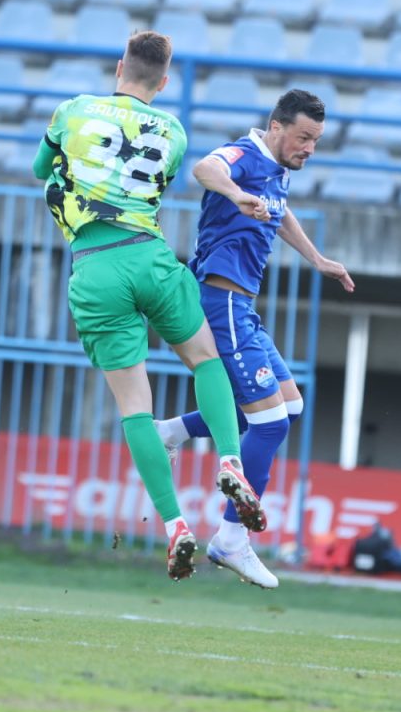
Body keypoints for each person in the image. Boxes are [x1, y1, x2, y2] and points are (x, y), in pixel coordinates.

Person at [34, 31, 265, 582]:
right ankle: (229, 459)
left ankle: (174, 525)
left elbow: (42, 169)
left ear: (120, 67)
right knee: (206, 360)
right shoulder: (174, 131)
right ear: (163, 82)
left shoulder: (72, 110)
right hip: (151, 257)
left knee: (136, 407)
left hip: (96, 267)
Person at [157, 89, 355, 590]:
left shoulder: (277, 170)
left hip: (241, 306)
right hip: (220, 301)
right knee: (269, 423)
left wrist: (317, 259)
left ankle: (173, 431)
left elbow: (280, 212)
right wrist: (234, 194)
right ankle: (231, 539)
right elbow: (204, 168)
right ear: (276, 126)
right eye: (303, 137)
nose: (309, 148)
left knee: (289, 407)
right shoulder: (244, 155)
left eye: (316, 140)